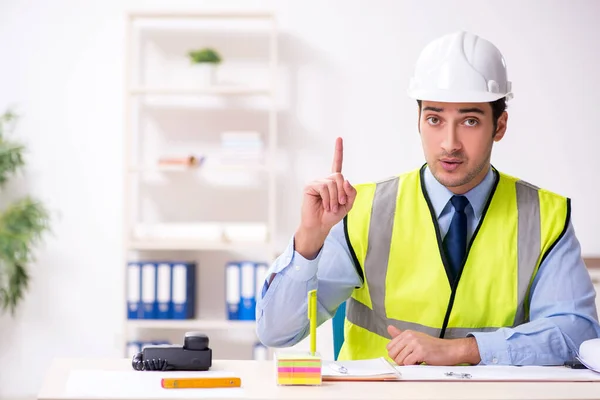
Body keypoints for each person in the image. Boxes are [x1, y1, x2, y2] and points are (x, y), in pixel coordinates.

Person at [255, 31, 600, 366]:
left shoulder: (545, 215)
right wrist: (309, 240)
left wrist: (463, 350)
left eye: (469, 120)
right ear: (418, 121)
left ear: (499, 125)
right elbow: (276, 333)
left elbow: (578, 332)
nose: (449, 143)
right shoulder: (364, 209)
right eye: (434, 119)